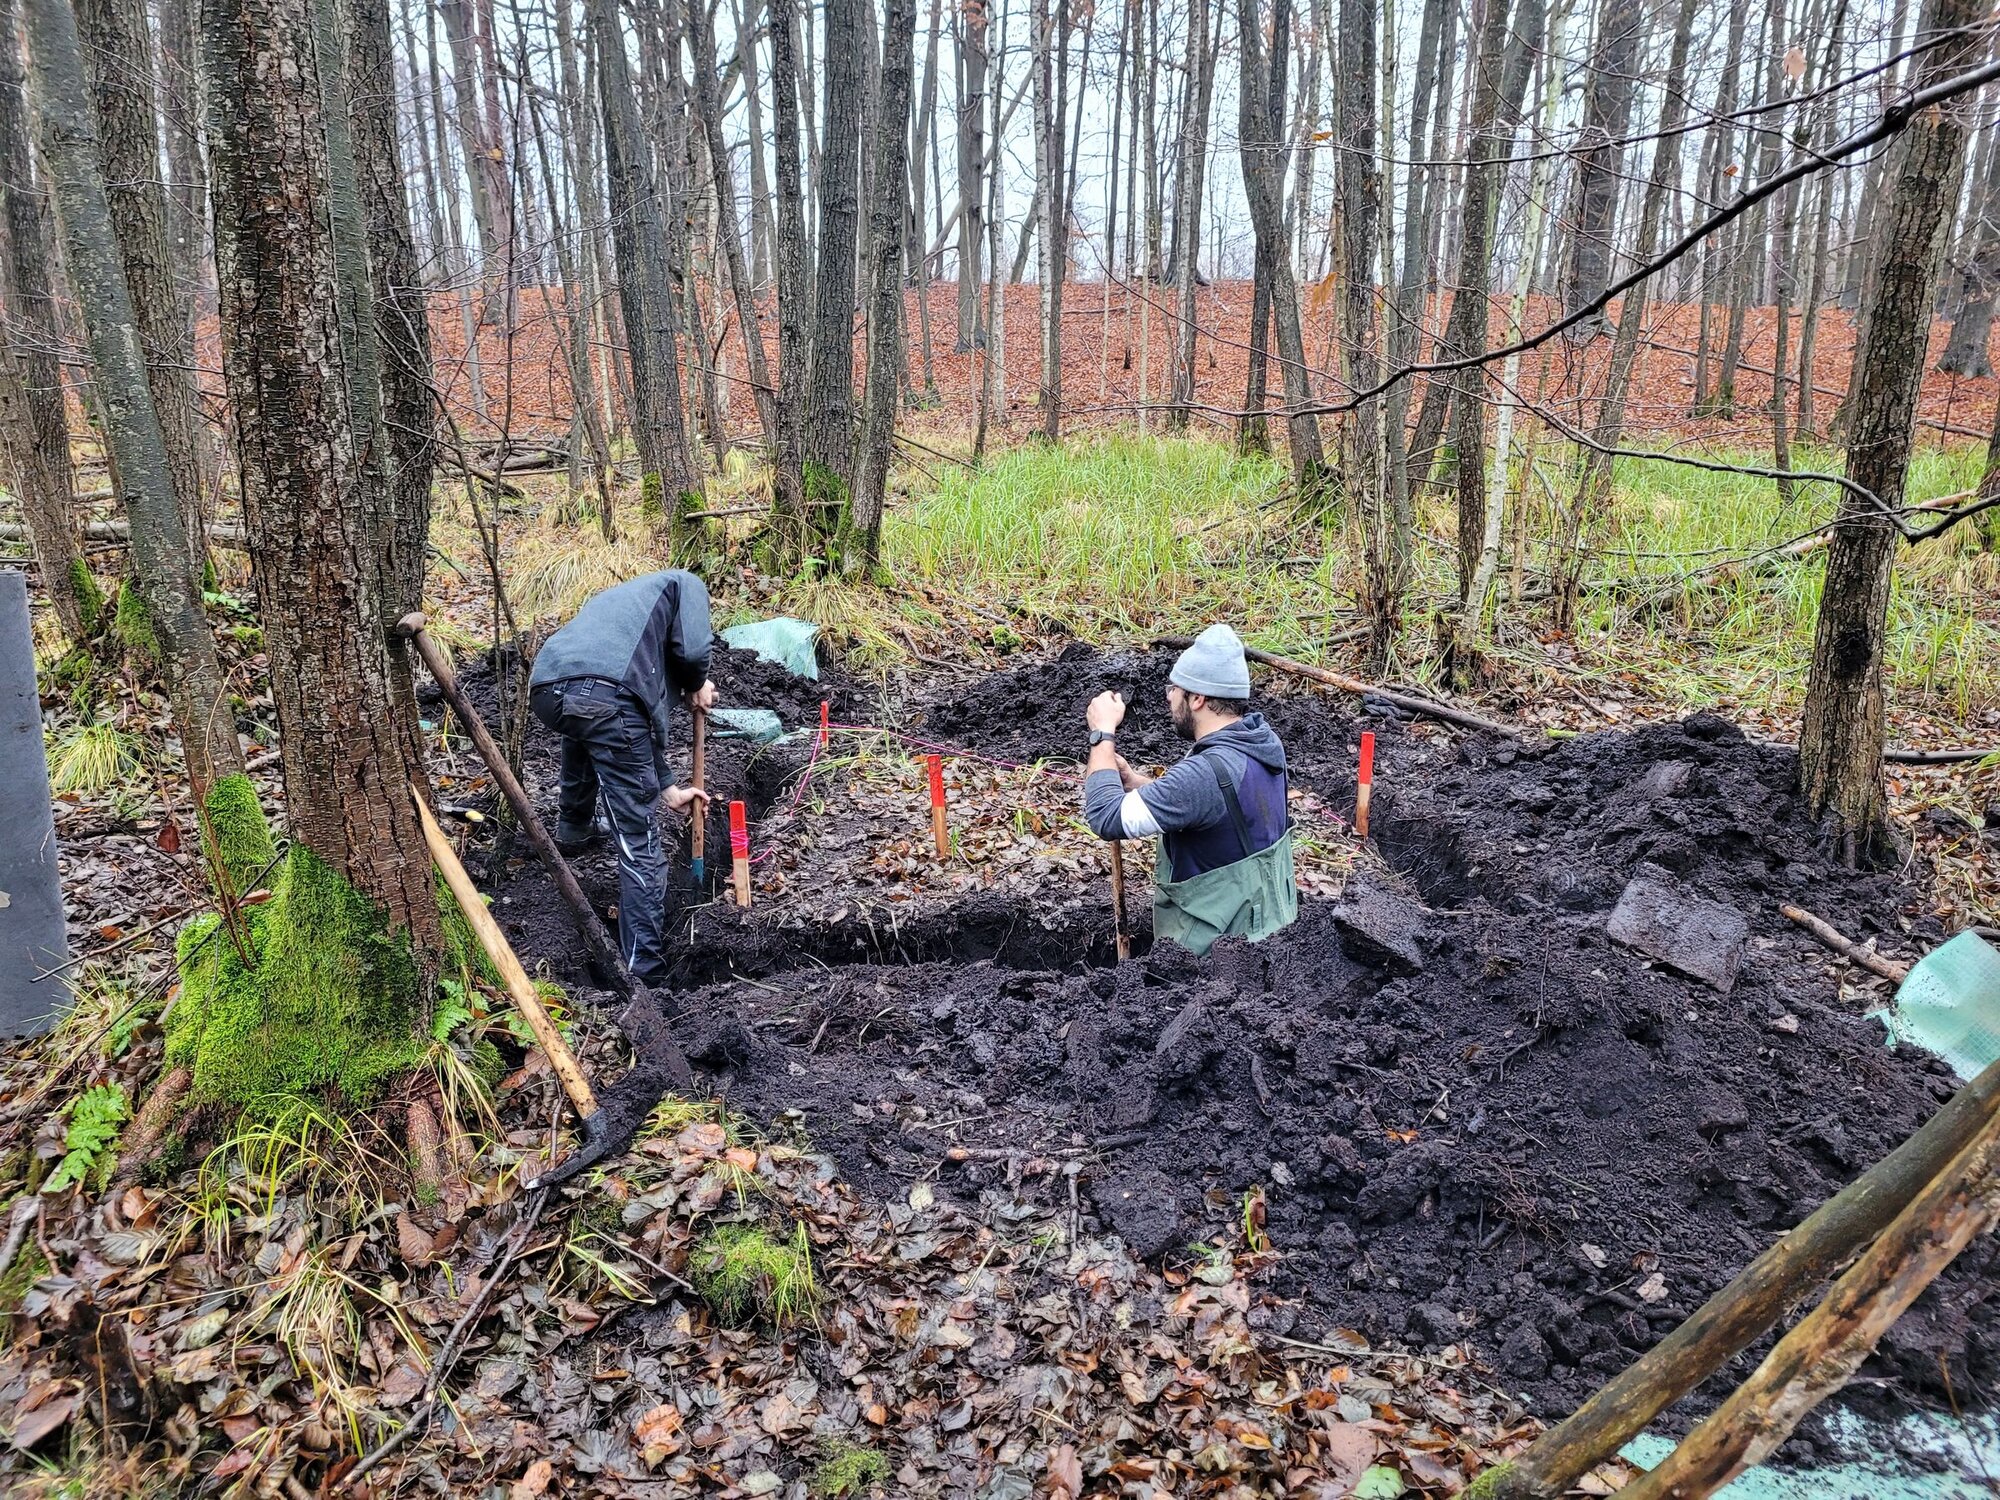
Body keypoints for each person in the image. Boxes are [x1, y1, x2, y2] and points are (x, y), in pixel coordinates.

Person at [529, 570, 716, 985]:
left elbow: (626, 716)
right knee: (640, 842)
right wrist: (698, 681)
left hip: (547, 688)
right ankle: (645, 972)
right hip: (605, 697)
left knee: (587, 723)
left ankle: (573, 828)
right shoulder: (685, 584)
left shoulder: (621, 606)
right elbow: (692, 650)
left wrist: (667, 787)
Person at [1081, 624, 1298, 955]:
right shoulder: (1262, 742)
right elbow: (1218, 808)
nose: (1168, 696)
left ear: (1197, 698)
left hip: (1218, 961)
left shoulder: (1203, 774)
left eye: (1175, 688)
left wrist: (1102, 734)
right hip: (1271, 936)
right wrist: (1138, 785)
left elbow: (1105, 817)